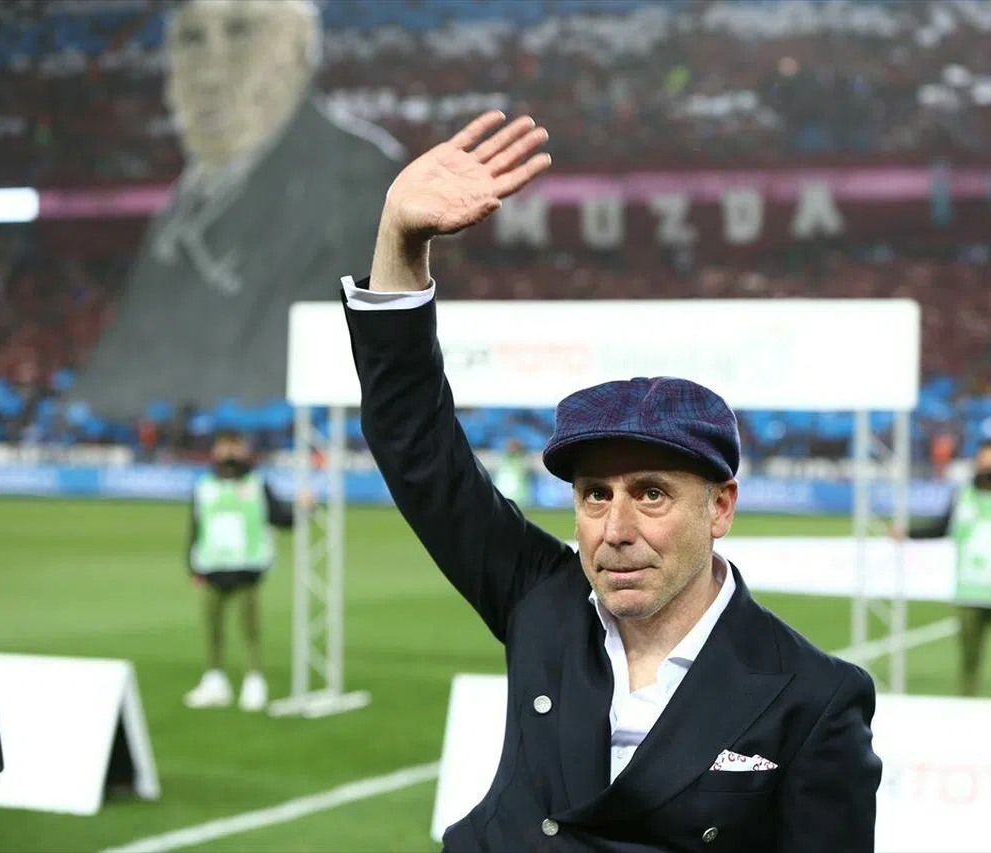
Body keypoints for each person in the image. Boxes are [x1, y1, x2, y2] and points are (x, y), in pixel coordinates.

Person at [340, 112, 880, 852]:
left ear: (720, 506)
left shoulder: (813, 695)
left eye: (651, 492)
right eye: (596, 494)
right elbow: (417, 448)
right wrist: (400, 241)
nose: (616, 530)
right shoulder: (542, 600)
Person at [72, 0, 403, 418]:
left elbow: (267, 378)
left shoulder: (358, 181)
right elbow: (111, 376)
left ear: (298, 51)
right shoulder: (178, 212)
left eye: (241, 32)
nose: (208, 74)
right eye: (192, 39)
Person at [893, 439, 991, 700]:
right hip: (969, 594)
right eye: (985, 463)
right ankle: (965, 707)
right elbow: (941, 527)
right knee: (968, 663)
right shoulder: (963, 497)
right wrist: (908, 533)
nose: (990, 469)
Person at [183, 429, 312, 711]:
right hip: (212, 568)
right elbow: (196, 526)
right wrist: (192, 566)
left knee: (249, 630)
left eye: (234, 446)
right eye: (224, 446)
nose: (229, 453)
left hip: (246, 570)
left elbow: (279, 518)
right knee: (213, 629)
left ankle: (254, 680)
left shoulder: (257, 484)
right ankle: (214, 679)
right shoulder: (204, 485)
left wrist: (303, 509)